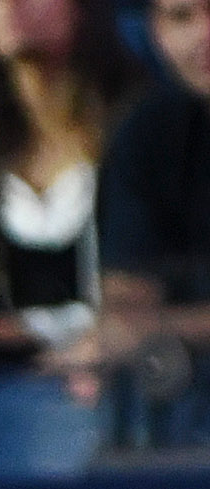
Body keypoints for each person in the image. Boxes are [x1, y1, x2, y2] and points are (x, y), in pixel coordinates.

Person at [0, 0, 136, 354]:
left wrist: (4, 330)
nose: (11, 6)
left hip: (109, 368)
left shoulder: (138, 130)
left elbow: (140, 306)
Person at [93, 0, 210, 358]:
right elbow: (127, 305)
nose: (204, 34)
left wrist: (159, 327)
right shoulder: (149, 132)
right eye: (181, 17)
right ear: (156, 31)